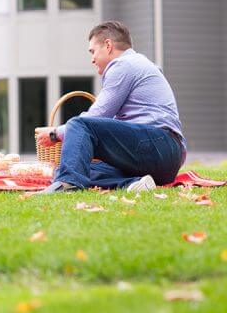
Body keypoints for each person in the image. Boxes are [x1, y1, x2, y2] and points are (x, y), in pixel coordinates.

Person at [37, 21, 186, 193]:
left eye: (93, 51)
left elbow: (97, 116)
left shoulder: (124, 64)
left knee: (79, 123)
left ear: (108, 45)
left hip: (158, 145)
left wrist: (55, 133)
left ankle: (68, 185)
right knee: (78, 170)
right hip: (163, 160)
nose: (92, 59)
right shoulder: (141, 64)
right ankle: (134, 183)